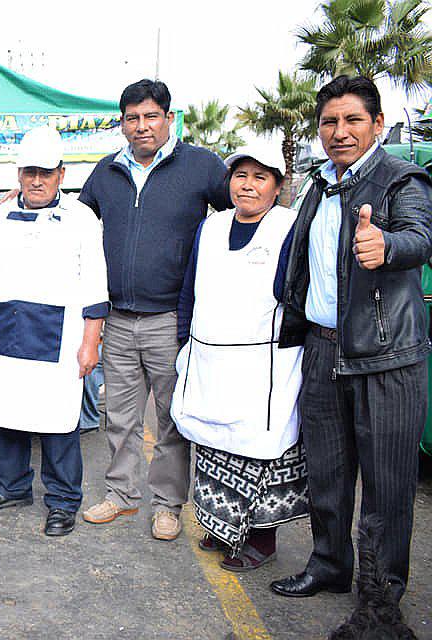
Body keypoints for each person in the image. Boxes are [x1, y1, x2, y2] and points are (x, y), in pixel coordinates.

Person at [271, 75, 432, 601]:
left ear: (378, 124)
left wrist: (387, 244)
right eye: (329, 122)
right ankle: (330, 564)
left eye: (353, 120)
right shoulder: (319, 183)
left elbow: (421, 235)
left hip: (384, 356)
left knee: (387, 486)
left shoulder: (400, 178)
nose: (339, 132)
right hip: (322, 348)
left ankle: (379, 595)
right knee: (327, 475)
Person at [78, 79, 232, 540]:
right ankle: (121, 495)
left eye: (150, 116)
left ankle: (167, 504)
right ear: (122, 123)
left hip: (172, 320)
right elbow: (78, 226)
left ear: (169, 118)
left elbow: (237, 218)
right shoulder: (107, 172)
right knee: (120, 417)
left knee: (170, 418)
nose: (141, 126)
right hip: (119, 319)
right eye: (132, 118)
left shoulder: (202, 166)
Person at [0, 127, 108, 537]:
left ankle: (63, 501)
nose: (37, 180)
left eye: (46, 172)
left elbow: (96, 288)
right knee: (6, 417)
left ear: (61, 174)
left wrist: (89, 344)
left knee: (58, 423)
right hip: (6, 332)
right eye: (30, 172)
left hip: (61, 338)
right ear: (19, 174)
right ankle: (12, 487)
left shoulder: (82, 219)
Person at [172, 148, 307, 572]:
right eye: (240, 175)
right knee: (214, 445)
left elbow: (299, 295)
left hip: (262, 364)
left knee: (260, 450)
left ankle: (260, 540)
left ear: (278, 186)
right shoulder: (211, 226)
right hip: (209, 355)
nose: (247, 184)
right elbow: (190, 287)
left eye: (260, 177)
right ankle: (221, 528)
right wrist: (185, 339)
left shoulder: (289, 227)